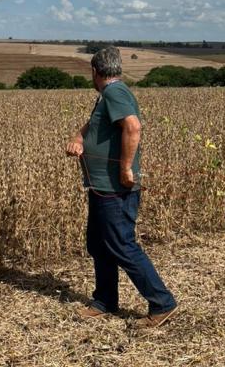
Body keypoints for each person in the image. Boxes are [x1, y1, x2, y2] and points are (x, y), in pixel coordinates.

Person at [65, 46, 178, 328]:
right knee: (99, 243)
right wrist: (79, 138)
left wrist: (126, 168)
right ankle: (105, 300)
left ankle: (162, 302)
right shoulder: (108, 96)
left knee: (120, 244)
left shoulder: (115, 93)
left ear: (95, 71)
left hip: (115, 188)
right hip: (102, 186)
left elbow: (133, 127)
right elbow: (94, 124)